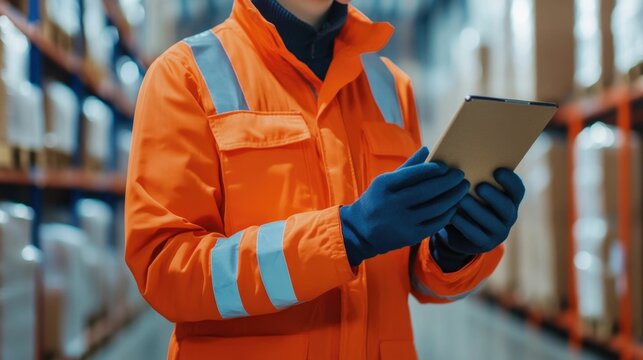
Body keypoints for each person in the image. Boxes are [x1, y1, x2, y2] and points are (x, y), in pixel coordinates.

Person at [124, 0, 525, 358]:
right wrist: (346, 236)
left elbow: (414, 279)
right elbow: (166, 273)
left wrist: (452, 251)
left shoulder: (390, 86)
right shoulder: (185, 76)